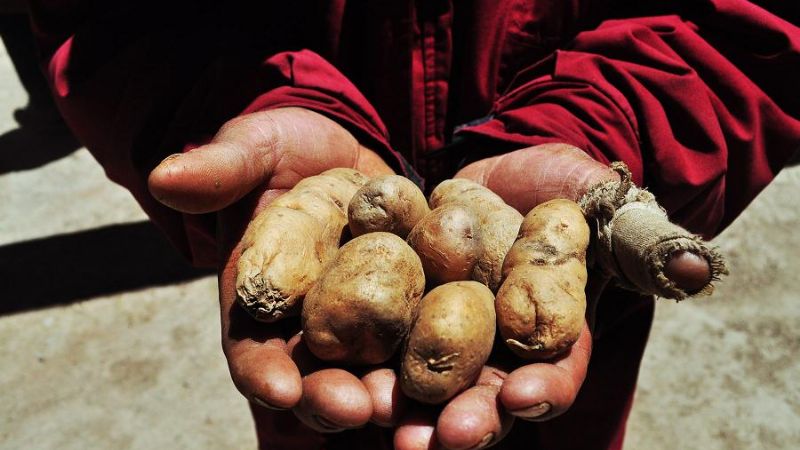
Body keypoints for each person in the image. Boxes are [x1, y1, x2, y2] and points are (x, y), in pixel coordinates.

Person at [28, 1, 799, 449]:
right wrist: (233, 101)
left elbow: (755, 24)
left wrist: (606, 124)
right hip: (316, 349)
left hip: (580, 303)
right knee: (321, 416)